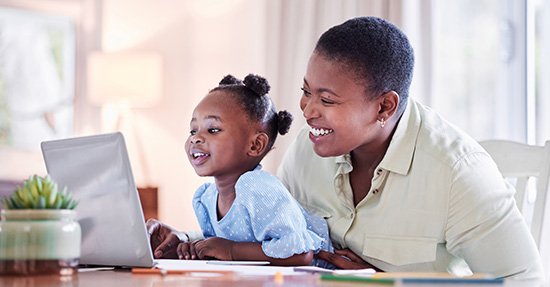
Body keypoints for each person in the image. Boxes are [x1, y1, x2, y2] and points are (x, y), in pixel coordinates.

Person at [149, 17, 543, 280]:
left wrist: (385, 282)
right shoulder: (308, 149)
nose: (307, 110)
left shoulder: (458, 173)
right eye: (306, 91)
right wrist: (185, 240)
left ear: (384, 106)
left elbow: (523, 282)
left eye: (327, 99)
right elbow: (269, 232)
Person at [149, 74, 333, 267]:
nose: (196, 138)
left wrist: (231, 250)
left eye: (213, 130)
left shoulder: (258, 188)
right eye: (193, 130)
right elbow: (219, 251)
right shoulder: (207, 198)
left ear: (255, 145)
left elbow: (301, 255)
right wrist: (190, 248)